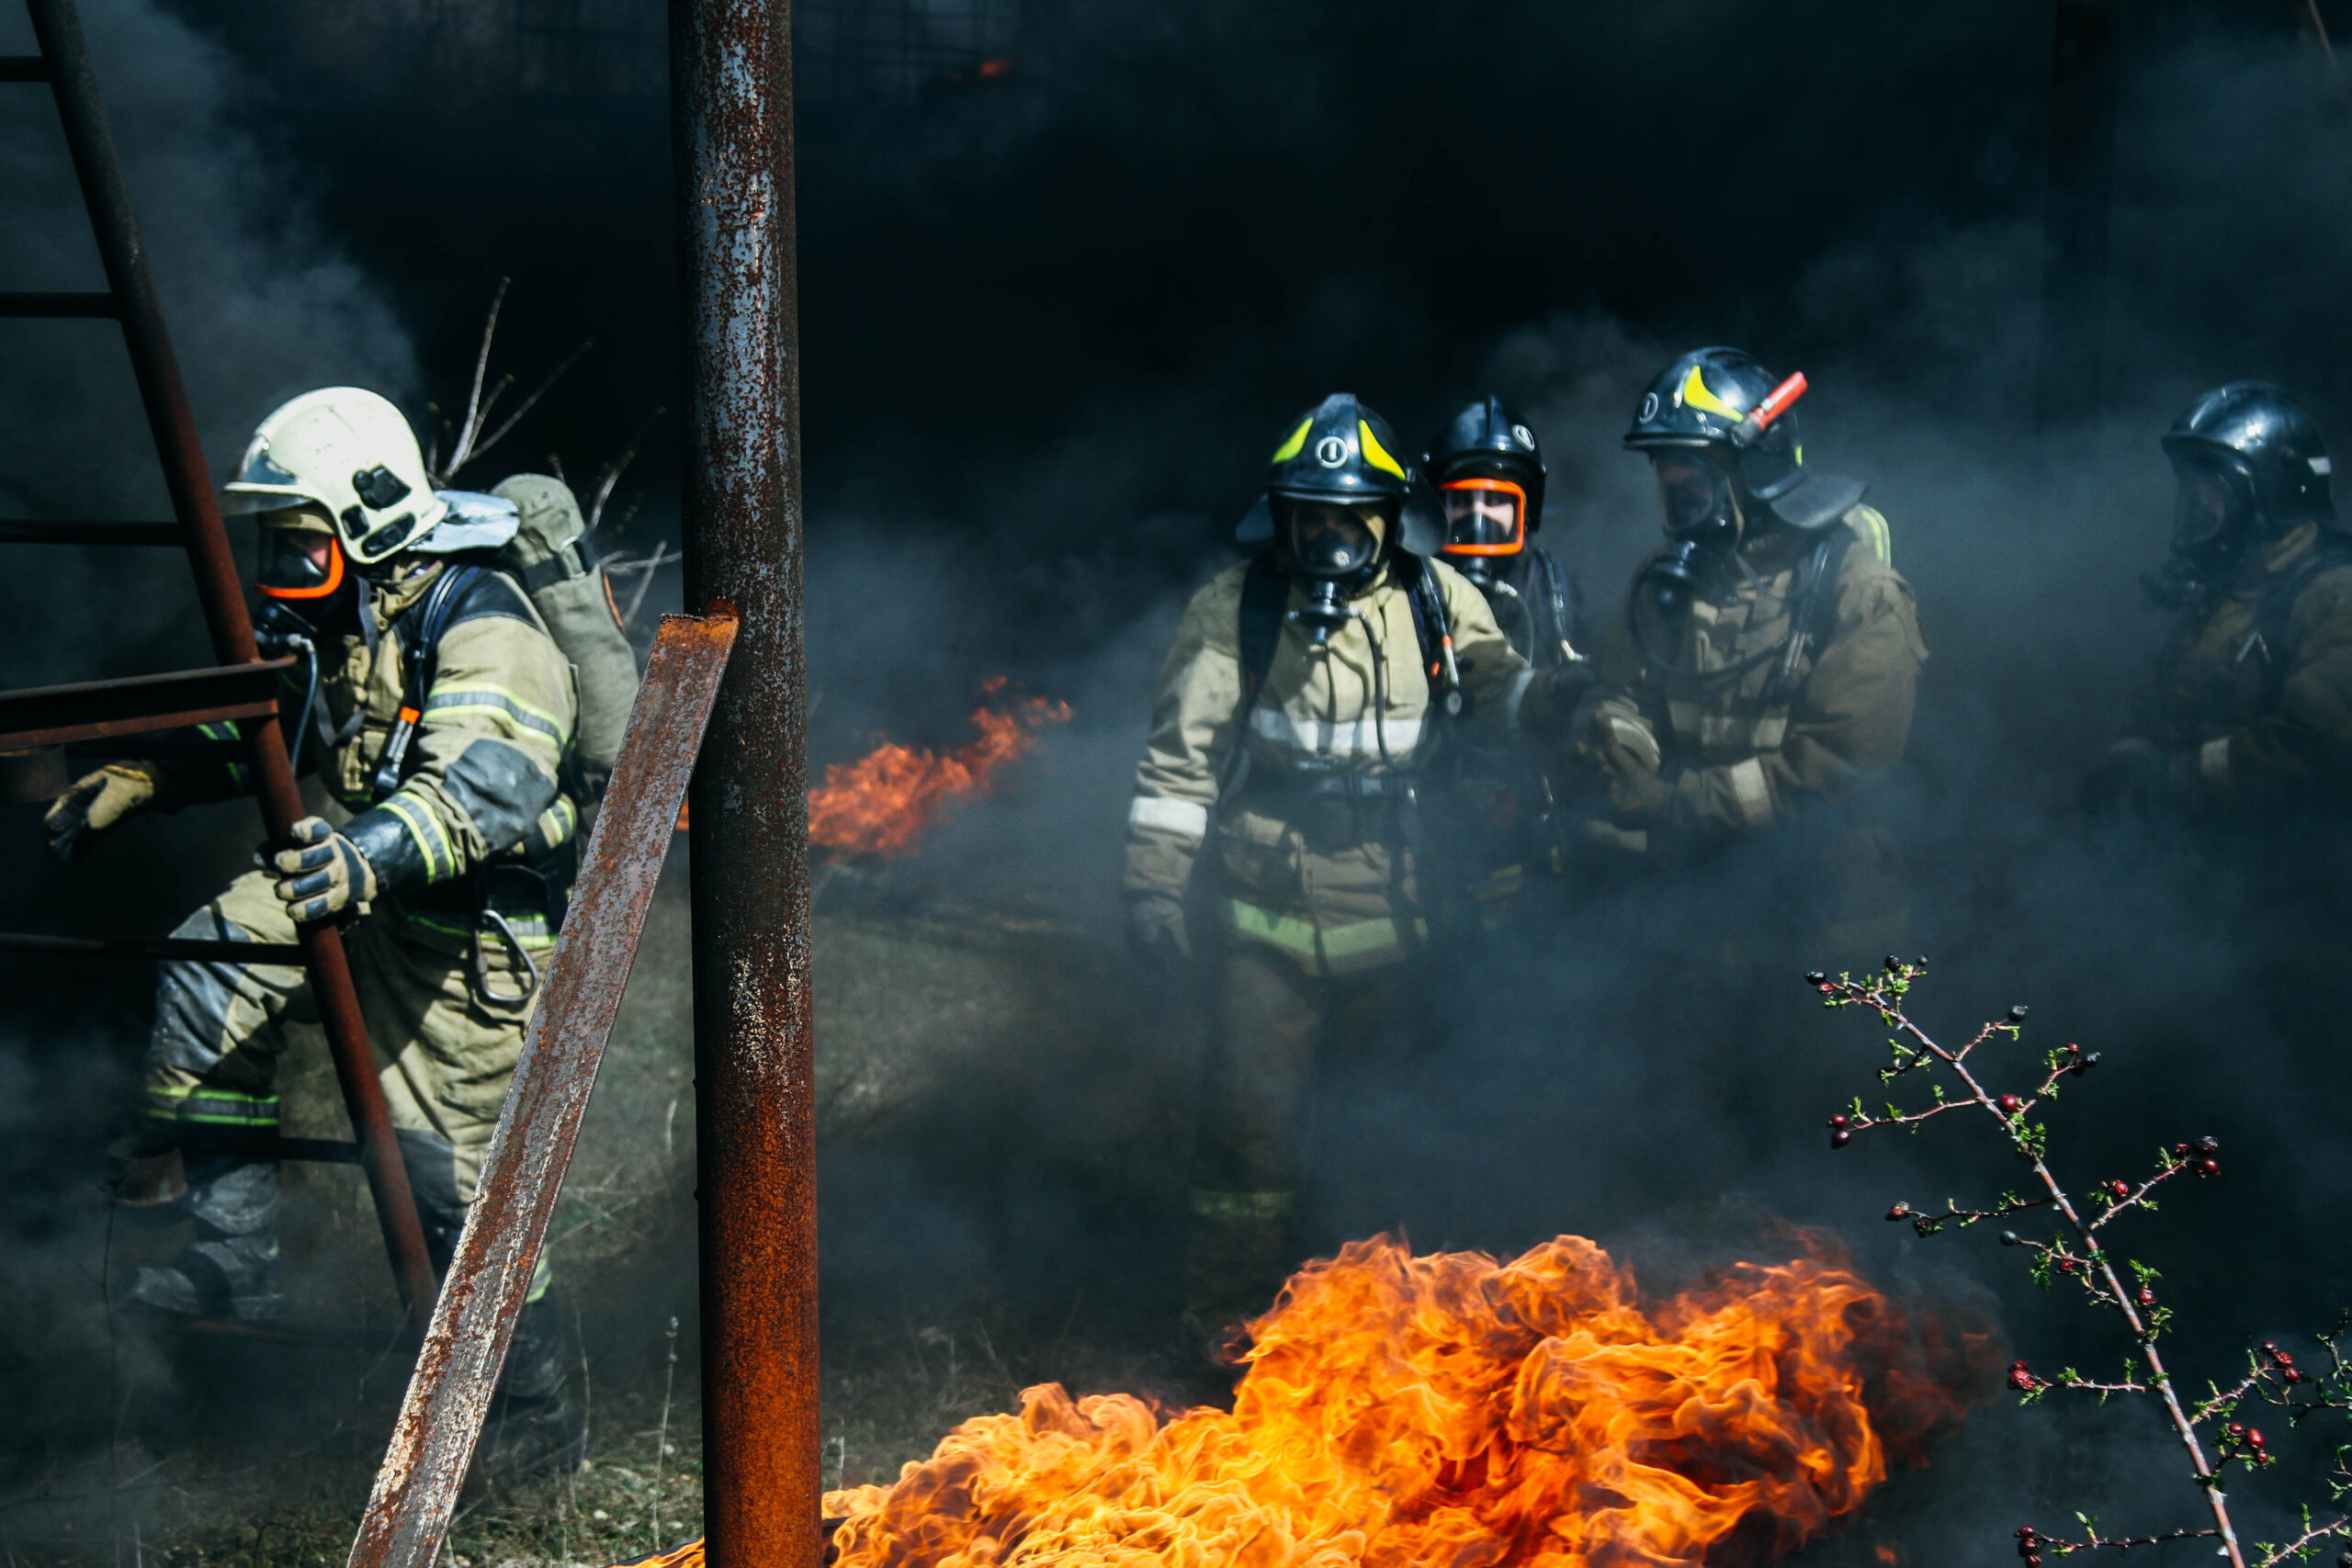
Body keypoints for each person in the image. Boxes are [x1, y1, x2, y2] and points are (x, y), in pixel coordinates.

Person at [42, 387, 590, 1474]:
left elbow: (491, 784)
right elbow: (267, 714)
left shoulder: (483, 622)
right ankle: (234, 1258)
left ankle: (531, 1412)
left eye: (297, 544)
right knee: (213, 960)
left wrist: (364, 856)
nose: (276, 571)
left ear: (368, 520)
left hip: (460, 932)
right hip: (354, 886)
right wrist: (148, 773)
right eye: (273, 546)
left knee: (449, 1185)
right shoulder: (350, 616)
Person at [1121, 392, 1588, 1348]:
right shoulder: (1239, 607)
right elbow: (1180, 761)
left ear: (1385, 517)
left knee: (1385, 1128)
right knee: (1249, 1136)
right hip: (1264, 916)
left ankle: (1381, 1333)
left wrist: (1563, 707)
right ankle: (1231, 1328)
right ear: (1284, 516)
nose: (1332, 536)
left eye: (1352, 517)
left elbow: (1498, 684)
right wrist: (1153, 884)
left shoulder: (1432, 597)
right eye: (1313, 516)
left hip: (1398, 907)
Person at [1577, 347, 1925, 960]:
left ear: (1755, 470)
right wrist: (1621, 742)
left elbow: (1840, 763)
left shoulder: (1859, 590)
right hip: (1695, 917)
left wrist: (1671, 801)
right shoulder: (1663, 583)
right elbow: (1618, 689)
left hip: (1824, 923)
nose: (1678, 500)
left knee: (1813, 1061)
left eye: (1696, 479)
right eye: (1668, 479)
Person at [2084, 382, 2352, 820]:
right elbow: (2172, 697)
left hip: (2282, 873)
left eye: (2210, 486)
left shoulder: (2335, 595)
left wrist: (2175, 777)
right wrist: (2129, 754)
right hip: (2198, 863)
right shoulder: (2234, 585)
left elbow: (2317, 744)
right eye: (2189, 487)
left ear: (2267, 491)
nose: (2196, 503)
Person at [1425, 397, 1585, 913]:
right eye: (1462, 499)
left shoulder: (1561, 593)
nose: (1477, 514)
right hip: (1434, 840)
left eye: (1495, 499)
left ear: (1527, 509)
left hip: (1542, 836)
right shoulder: (1408, 594)